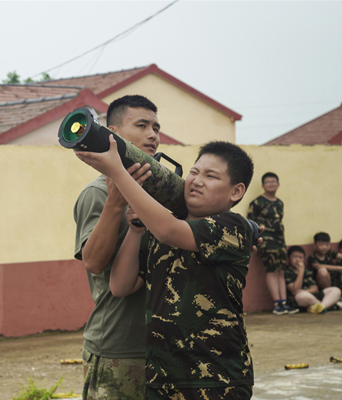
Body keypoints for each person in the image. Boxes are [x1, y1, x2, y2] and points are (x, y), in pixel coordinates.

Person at [75, 139, 256, 400]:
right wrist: (136, 231)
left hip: (218, 380)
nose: (196, 180)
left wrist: (117, 172)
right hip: (163, 381)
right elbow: (120, 286)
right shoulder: (158, 231)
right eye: (194, 172)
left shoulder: (233, 228)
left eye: (211, 176)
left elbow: (169, 230)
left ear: (236, 192)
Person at [73, 95, 160, 400]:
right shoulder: (97, 194)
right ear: (114, 133)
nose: (153, 135)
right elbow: (93, 263)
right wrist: (116, 201)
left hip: (165, 346)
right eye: (142, 125)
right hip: (118, 349)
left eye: (156, 127)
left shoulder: (161, 190)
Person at [247, 172, 298, 315]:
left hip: (280, 241)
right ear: (263, 185)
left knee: (281, 270)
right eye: (268, 182)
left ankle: (284, 302)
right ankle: (277, 304)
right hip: (266, 242)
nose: (271, 184)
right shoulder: (257, 203)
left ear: (278, 184)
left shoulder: (279, 203)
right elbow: (251, 223)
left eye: (274, 181)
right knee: (271, 270)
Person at [284, 246, 342, 313]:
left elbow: (315, 288)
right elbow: (294, 290)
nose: (298, 260)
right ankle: (326, 306)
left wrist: (306, 291)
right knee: (302, 295)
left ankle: (321, 306)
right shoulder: (287, 272)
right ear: (288, 258)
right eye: (294, 257)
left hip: (311, 295)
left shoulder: (307, 271)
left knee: (336, 290)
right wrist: (301, 272)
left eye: (300, 257)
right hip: (297, 299)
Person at [308, 232, 342, 307]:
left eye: (327, 244)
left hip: (336, 279)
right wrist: (340, 268)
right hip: (324, 285)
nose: (324, 247)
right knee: (322, 271)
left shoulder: (330, 252)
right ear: (315, 245)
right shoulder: (312, 257)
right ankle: (330, 296)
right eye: (321, 245)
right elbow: (319, 266)